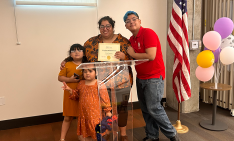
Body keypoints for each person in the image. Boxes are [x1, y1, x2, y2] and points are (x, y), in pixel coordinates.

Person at [61, 16, 133, 141]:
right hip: (100, 84)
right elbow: (80, 56)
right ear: (99, 28)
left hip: (122, 82)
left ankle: (123, 134)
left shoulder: (124, 41)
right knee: (102, 111)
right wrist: (66, 60)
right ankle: (105, 131)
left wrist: (124, 57)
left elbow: (133, 59)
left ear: (113, 27)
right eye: (102, 26)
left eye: (108, 26)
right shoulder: (91, 42)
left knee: (122, 109)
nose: (105, 29)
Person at [123, 11, 180, 141]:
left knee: (154, 108)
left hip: (154, 77)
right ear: (126, 26)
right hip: (141, 77)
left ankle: (173, 135)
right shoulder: (131, 39)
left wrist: (132, 54)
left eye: (134, 19)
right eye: (127, 21)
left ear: (140, 21)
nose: (131, 22)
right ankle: (152, 136)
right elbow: (132, 57)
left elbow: (151, 56)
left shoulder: (148, 33)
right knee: (145, 109)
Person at [62, 64, 112, 141]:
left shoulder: (99, 84)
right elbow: (77, 95)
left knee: (96, 133)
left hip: (95, 115)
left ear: (96, 73)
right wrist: (69, 90)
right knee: (84, 135)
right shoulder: (81, 83)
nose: (87, 73)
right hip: (84, 114)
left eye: (90, 71)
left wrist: (108, 111)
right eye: (85, 71)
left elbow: (105, 99)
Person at [58, 44, 88, 141]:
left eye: (79, 50)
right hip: (69, 94)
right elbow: (60, 77)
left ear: (83, 53)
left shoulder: (87, 64)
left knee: (83, 117)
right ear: (70, 54)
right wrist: (70, 79)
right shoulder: (67, 65)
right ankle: (62, 138)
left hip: (83, 94)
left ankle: (83, 137)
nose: (76, 52)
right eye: (73, 51)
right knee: (67, 117)